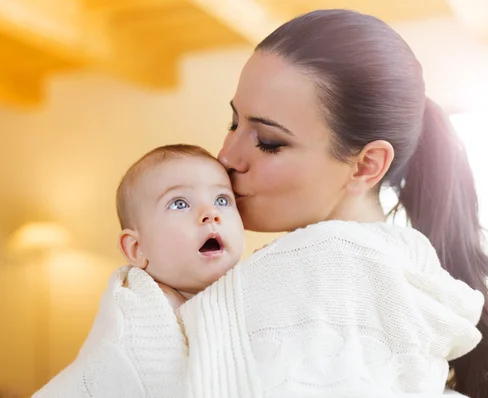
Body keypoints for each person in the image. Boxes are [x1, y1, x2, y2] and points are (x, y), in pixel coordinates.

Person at [178, 9, 488, 398]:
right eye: (234, 123)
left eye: (269, 142)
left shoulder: (322, 270)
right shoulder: (402, 275)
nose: (226, 157)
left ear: (366, 165)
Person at [33, 144, 244, 397]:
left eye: (222, 200)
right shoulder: (138, 315)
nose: (211, 213)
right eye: (179, 203)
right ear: (136, 249)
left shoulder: (253, 289)